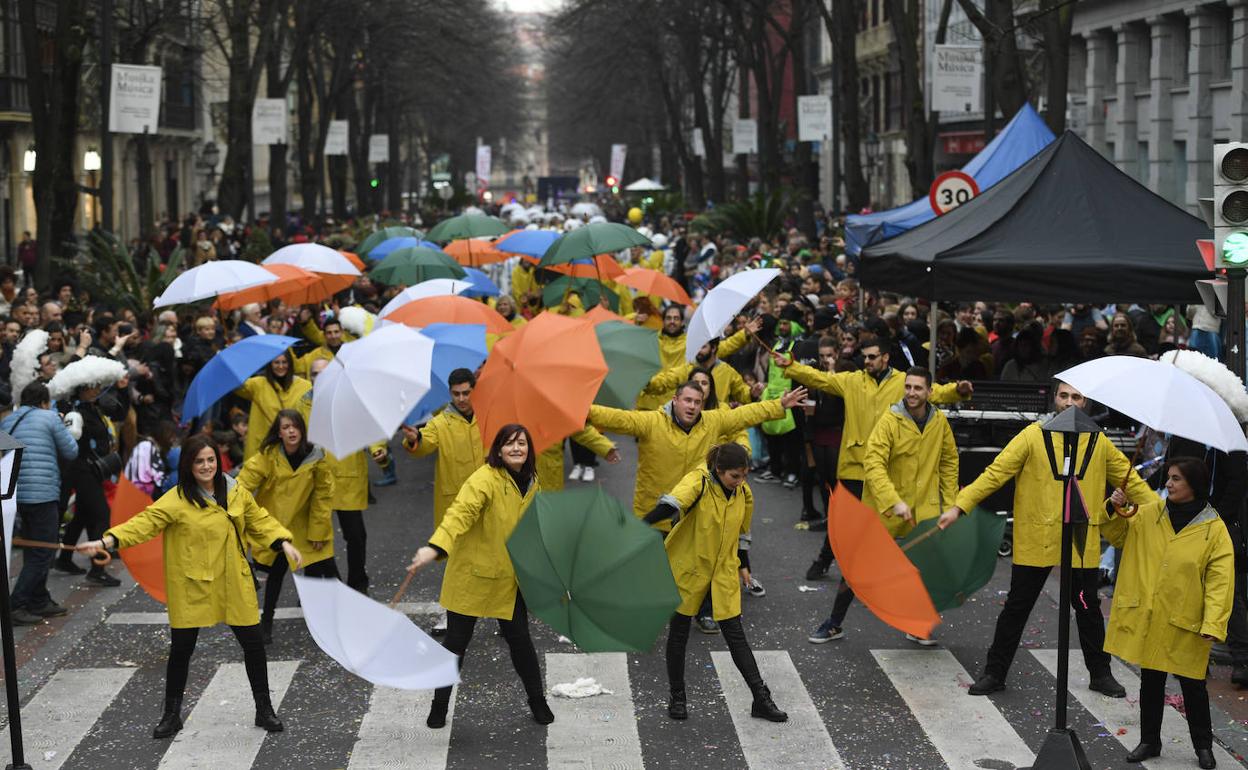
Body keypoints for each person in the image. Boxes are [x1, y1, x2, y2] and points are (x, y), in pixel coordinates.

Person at [938, 381, 1153, 698]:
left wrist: (1163, 516)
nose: (1069, 402)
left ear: (1085, 403)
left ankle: (1100, 673)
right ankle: (994, 673)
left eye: (1076, 397)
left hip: (1080, 540)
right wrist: (961, 505)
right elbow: (996, 472)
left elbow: (1132, 482)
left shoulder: (1099, 442)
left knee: (1087, 608)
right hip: (1037, 536)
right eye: (1064, 395)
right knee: (1017, 607)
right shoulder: (1033, 435)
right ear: (1054, 399)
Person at [77, 435, 302, 738]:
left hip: (233, 581)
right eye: (199, 461)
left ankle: (264, 710)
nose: (207, 466)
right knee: (182, 651)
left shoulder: (236, 491)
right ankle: (171, 715)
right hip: (192, 586)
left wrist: (283, 541)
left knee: (253, 645)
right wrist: (106, 541)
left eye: (211, 460)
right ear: (188, 464)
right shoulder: (177, 498)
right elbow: (144, 523)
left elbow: (259, 519)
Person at [773, 336, 970, 579]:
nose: (866, 361)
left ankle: (876, 576)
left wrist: (957, 391)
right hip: (855, 466)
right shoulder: (853, 380)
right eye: (864, 357)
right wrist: (790, 366)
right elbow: (821, 379)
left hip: (887, 471)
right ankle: (827, 561)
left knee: (881, 528)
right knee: (844, 522)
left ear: (885, 357)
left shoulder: (903, 382)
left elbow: (934, 392)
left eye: (871, 356)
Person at [406, 424, 553, 730]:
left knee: (521, 643)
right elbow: (460, 513)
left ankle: (538, 702)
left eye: (522, 444)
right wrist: (436, 547)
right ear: (498, 449)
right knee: (456, 644)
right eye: (510, 444)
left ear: (529, 450)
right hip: (472, 576)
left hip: (507, 579)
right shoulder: (483, 479)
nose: (517, 449)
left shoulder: (532, 481)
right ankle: (439, 706)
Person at [809, 367, 956, 645]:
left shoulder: (940, 423)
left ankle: (917, 625)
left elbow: (949, 463)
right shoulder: (890, 420)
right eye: (908, 387)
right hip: (885, 509)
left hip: (924, 510)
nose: (911, 393)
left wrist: (950, 504)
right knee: (857, 570)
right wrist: (894, 501)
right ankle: (833, 623)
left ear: (930, 392)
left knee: (923, 569)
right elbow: (873, 464)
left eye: (918, 388)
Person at [1105, 458, 1233, 769]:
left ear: (1195, 484)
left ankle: (1203, 747)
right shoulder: (1149, 513)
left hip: (1188, 620)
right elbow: (1118, 535)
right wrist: (1114, 507)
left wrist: (1213, 622)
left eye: (1176, 479)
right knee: (1151, 682)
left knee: (1193, 686)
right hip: (1152, 616)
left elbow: (1221, 580)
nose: (1169, 484)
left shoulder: (1213, 529)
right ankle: (1150, 740)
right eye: (1170, 478)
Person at [644, 443, 787, 723]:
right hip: (688, 569)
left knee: (736, 636)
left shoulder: (743, 493)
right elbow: (672, 504)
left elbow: (743, 533)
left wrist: (744, 565)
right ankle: (678, 697)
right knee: (679, 634)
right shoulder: (698, 481)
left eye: (744, 475)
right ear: (718, 470)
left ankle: (761, 698)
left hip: (722, 572)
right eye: (735, 476)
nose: (741, 482)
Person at [588, 381, 808, 532]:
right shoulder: (651, 422)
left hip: (693, 517)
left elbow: (744, 415)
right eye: (687, 400)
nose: (692, 406)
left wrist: (779, 405)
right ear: (675, 400)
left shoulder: (712, 421)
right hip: (654, 515)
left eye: (697, 402)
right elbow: (617, 418)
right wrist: (584, 410)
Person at [236, 410, 336, 645]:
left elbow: (324, 495)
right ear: (278, 433)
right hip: (277, 526)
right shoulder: (268, 456)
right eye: (285, 427)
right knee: (276, 574)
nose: (291, 431)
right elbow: (243, 484)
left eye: (295, 426)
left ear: (302, 430)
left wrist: (318, 531)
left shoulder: (317, 455)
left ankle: (330, 623)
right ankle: (266, 622)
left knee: (325, 572)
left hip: (305, 524)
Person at [400, 367, 485, 633]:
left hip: (489, 500)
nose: (461, 398)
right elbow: (425, 443)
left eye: (466, 393)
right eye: (457, 394)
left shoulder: (489, 415)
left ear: (475, 390)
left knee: (494, 559)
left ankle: (501, 614)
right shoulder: (440, 421)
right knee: (455, 563)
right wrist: (416, 439)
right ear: (450, 393)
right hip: (455, 504)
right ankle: (452, 614)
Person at [309, 358, 387, 594]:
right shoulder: (302, 403)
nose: (321, 379)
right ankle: (321, 584)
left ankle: (357, 583)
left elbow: (369, 429)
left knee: (356, 536)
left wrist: (377, 450)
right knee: (315, 536)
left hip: (346, 478)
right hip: (314, 479)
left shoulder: (352, 401)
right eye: (315, 374)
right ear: (309, 376)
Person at [2, 382, 78, 624]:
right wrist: (61, 422)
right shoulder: (49, 417)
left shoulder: (8, 421)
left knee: (33, 548)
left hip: (16, 494)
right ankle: (16, 604)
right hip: (42, 492)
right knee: (43, 551)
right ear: (45, 401)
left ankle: (39, 599)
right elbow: (71, 450)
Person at [234, 348, 311, 459]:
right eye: (276, 362)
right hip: (264, 448)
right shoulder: (257, 384)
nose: (280, 366)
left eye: (284, 362)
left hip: (294, 447)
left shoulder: (305, 386)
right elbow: (237, 385)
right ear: (270, 364)